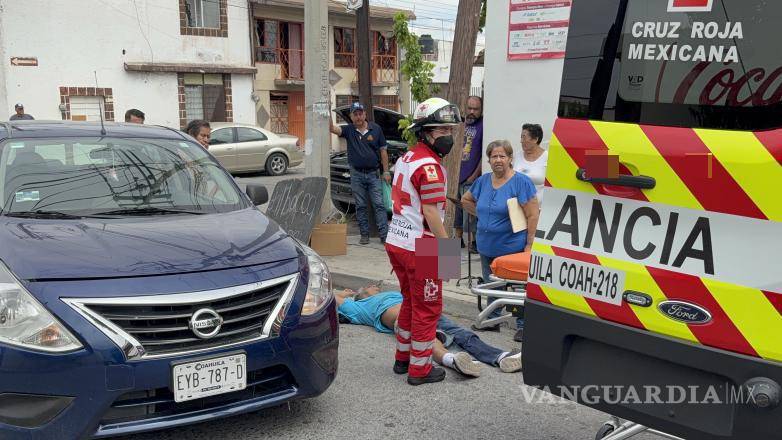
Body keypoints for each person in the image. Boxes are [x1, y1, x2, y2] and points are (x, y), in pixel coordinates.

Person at [385, 97, 462, 386]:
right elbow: (431, 212)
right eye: (442, 131)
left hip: (398, 241)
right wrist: (448, 255)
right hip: (424, 246)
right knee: (428, 308)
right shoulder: (431, 168)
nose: (449, 137)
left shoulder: (407, 158)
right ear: (425, 132)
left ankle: (402, 359)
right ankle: (419, 370)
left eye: (450, 131)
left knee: (410, 302)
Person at [334, 286, 522, 376]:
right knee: (425, 335)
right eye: (369, 286)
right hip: (403, 317)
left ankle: (501, 357)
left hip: (423, 309)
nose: (374, 286)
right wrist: (346, 293)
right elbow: (334, 297)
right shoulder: (358, 306)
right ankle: (451, 359)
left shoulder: (393, 292)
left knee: (460, 332)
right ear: (363, 293)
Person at [462, 140, 540, 342]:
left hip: (512, 247)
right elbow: (465, 200)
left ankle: (523, 325)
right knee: (491, 284)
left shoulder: (520, 182)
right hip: (486, 244)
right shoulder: (483, 181)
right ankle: (493, 320)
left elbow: (532, 215)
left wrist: (529, 245)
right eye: (494, 156)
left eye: (502, 156)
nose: (498, 160)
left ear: (510, 159)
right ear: (488, 160)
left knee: (517, 289)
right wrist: (482, 215)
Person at [329, 102, 390, 245]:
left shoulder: (376, 129)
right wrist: (327, 110)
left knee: (379, 205)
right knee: (360, 205)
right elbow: (331, 128)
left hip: (374, 174)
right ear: (351, 116)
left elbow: (383, 151)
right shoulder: (349, 130)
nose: (358, 117)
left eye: (360, 113)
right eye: (355, 114)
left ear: (365, 114)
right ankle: (364, 235)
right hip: (356, 174)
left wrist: (386, 171)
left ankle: (384, 236)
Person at [454, 96, 483, 252]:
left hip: (470, 177)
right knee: (455, 212)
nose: (471, 112)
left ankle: (473, 242)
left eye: (475, 109)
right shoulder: (458, 123)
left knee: (470, 213)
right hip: (454, 176)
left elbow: (484, 154)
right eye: (469, 108)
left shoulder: (483, 125)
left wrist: (474, 175)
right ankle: (457, 241)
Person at [514, 123, 548, 205]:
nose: (521, 141)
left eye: (524, 137)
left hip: (540, 209)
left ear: (535, 139)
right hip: (518, 208)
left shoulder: (548, 157)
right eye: (521, 137)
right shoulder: (517, 156)